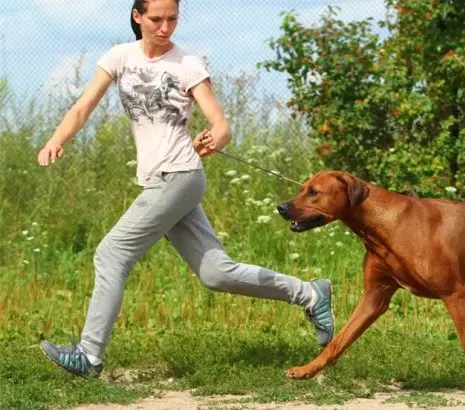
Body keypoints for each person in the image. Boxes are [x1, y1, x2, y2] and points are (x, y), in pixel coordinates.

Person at [37, 0, 334, 378]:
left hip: (181, 176)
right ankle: (310, 293)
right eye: (156, 19)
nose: (165, 28)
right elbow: (82, 108)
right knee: (216, 273)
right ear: (137, 17)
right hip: (159, 180)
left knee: (111, 253)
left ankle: (90, 356)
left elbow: (221, 123)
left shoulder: (187, 64)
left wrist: (217, 139)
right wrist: (55, 139)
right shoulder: (119, 56)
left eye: (172, 19)